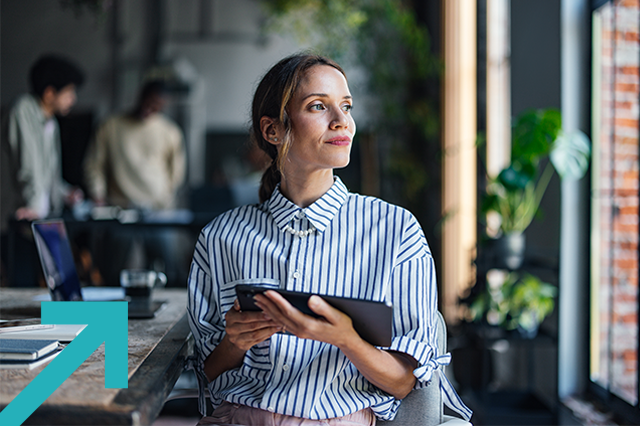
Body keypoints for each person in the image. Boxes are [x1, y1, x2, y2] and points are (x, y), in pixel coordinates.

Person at [187, 54, 472, 425]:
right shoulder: (221, 238)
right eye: (318, 106)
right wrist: (234, 343)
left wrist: (346, 339)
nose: (342, 122)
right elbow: (205, 373)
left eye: (347, 106)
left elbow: (406, 384)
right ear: (273, 131)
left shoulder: (396, 231)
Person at [83, 80, 187, 286]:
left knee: (169, 269)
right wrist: (98, 193)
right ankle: (113, 314)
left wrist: (166, 195)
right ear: (140, 97)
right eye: (148, 103)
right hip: (120, 208)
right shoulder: (111, 126)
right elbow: (94, 164)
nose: (150, 109)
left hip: (158, 210)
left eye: (157, 106)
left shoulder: (170, 132)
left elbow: (177, 172)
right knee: (113, 269)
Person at [0, 54, 85, 286]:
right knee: (24, 288)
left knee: (62, 288)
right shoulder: (22, 111)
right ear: (49, 93)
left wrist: (65, 192)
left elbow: (50, 175)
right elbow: (27, 168)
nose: (73, 99)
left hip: (43, 219)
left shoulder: (51, 122)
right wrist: (33, 206)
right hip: (21, 219)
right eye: (69, 92)